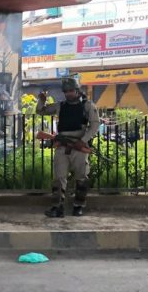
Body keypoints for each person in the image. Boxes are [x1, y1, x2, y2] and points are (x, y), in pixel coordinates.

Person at [36, 77, 100, 217]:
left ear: (77, 90)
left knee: (81, 177)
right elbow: (40, 111)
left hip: (79, 146)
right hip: (62, 145)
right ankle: (57, 208)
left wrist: (83, 141)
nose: (68, 94)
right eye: (66, 91)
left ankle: (78, 206)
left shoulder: (87, 105)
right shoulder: (61, 106)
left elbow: (95, 125)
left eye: (70, 91)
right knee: (59, 177)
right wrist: (42, 99)